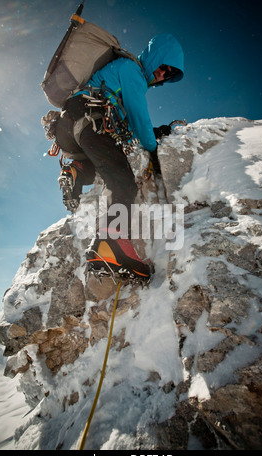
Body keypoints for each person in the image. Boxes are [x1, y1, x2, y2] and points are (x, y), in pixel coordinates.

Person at [53, 33, 184, 282]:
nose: (162, 74)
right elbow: (138, 117)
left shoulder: (120, 73)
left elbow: (129, 124)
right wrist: (152, 146)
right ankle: (111, 244)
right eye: (163, 66)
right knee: (122, 182)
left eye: (169, 73)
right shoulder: (131, 70)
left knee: (100, 165)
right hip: (91, 122)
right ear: (154, 57)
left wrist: (151, 132)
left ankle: (77, 170)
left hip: (70, 125)